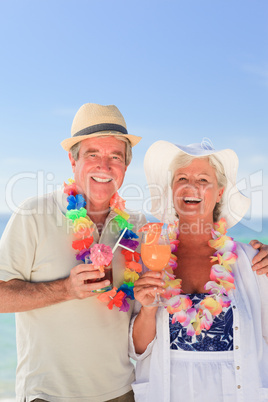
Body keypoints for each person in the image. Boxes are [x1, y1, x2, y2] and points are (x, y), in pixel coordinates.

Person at [0, 103, 146, 402]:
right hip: (47, 395)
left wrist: (256, 256)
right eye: (93, 154)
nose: (104, 166)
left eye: (115, 157)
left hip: (121, 392)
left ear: (126, 166)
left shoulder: (137, 226)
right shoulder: (33, 214)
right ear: (73, 159)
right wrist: (65, 289)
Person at [129, 140, 268, 402]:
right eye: (182, 178)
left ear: (219, 193)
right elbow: (137, 350)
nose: (191, 186)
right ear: (172, 190)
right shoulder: (148, 260)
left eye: (203, 179)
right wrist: (148, 309)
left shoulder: (251, 261)